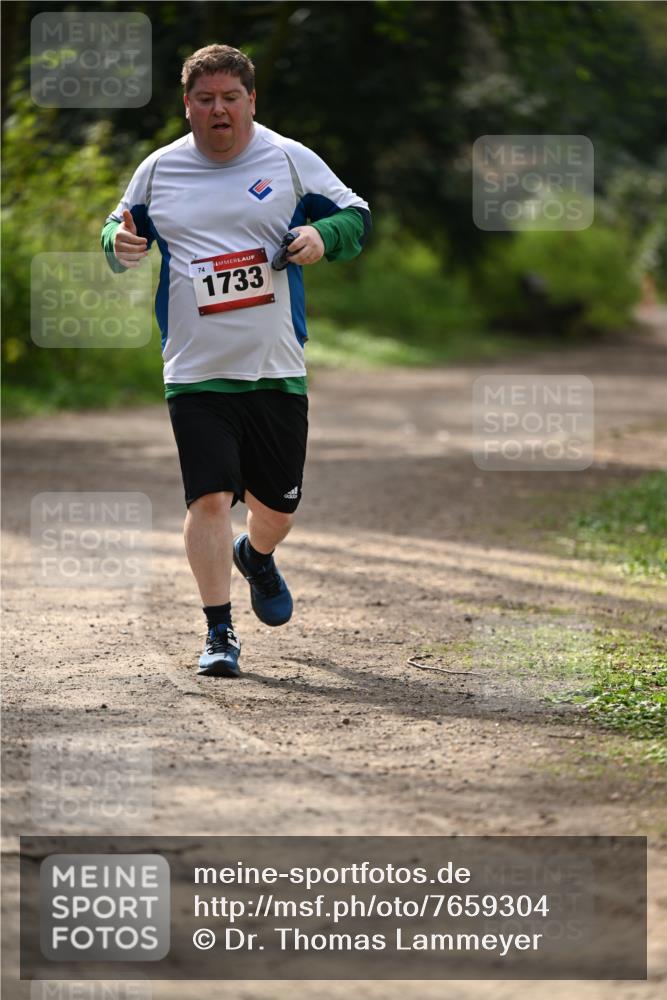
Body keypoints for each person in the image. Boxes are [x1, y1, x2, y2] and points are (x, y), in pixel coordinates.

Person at [101, 44, 371, 678]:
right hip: (194, 368)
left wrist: (319, 236)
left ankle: (258, 554)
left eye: (230, 97)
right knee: (209, 500)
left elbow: (356, 219)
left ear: (252, 100)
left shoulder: (288, 159)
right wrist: (118, 241)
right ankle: (219, 633)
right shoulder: (159, 170)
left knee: (277, 508)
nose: (218, 109)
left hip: (275, 365)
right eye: (205, 99)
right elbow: (116, 230)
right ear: (187, 106)